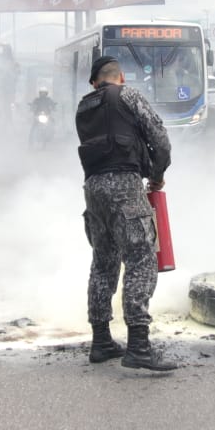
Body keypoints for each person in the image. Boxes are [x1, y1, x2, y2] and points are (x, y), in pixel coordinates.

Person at [76, 54, 174, 371]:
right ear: (121, 78)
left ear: (94, 83)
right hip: (125, 186)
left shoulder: (83, 106)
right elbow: (160, 139)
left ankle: (101, 341)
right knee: (140, 258)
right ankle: (139, 346)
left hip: (93, 190)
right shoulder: (128, 95)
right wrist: (157, 175)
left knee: (103, 262)